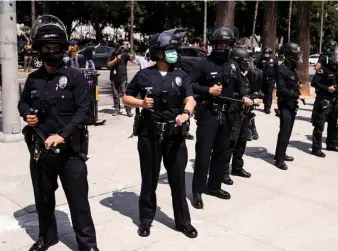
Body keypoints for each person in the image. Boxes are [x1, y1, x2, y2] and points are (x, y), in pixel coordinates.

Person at [17, 15, 99, 251]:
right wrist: (27, 115)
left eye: (55, 48)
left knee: (78, 202)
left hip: (69, 152)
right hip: (40, 151)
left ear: (63, 49)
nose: (50, 52)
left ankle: (88, 245)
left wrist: (62, 134)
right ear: (39, 50)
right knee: (43, 199)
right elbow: (22, 103)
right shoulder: (33, 79)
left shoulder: (74, 77)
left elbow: (84, 112)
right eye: (46, 48)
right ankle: (47, 236)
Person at [123, 28, 198, 239]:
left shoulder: (181, 74)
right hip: (150, 134)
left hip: (175, 135)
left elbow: (190, 99)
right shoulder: (145, 74)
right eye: (170, 49)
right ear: (158, 53)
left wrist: (186, 113)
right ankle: (146, 220)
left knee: (177, 180)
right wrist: (141, 103)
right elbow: (126, 97)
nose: (174, 53)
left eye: (175, 49)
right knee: (149, 179)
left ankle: (184, 222)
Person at [189, 25, 252, 209]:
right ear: (214, 45)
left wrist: (244, 97)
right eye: (220, 44)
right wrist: (208, 90)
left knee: (222, 152)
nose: (223, 47)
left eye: (227, 44)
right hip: (209, 114)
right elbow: (189, 85)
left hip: (229, 115)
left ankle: (214, 186)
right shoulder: (203, 63)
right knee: (203, 153)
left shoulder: (232, 64)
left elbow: (240, 85)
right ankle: (197, 191)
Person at [223, 47, 262, 185]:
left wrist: (254, 98)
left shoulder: (246, 76)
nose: (247, 64)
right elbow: (230, 95)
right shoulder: (231, 76)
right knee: (230, 143)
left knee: (242, 141)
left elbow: (252, 92)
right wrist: (243, 99)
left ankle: (237, 167)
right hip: (233, 115)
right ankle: (224, 173)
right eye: (244, 61)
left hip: (245, 115)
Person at [273, 42, 306, 170]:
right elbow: (281, 90)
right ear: (289, 55)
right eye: (296, 55)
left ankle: (282, 153)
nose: (298, 58)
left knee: (289, 131)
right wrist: (297, 96)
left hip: (292, 105)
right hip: (285, 105)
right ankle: (279, 159)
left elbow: (293, 86)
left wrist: (298, 92)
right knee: (284, 131)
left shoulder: (292, 69)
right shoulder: (282, 69)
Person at [311, 47, 338, 157]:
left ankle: (331, 144)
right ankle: (316, 148)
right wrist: (327, 88)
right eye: (336, 57)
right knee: (319, 124)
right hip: (324, 100)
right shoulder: (324, 69)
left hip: (335, 101)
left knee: (333, 124)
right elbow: (314, 82)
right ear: (331, 57)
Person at [107, 43, 135, 116]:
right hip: (113, 78)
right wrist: (116, 59)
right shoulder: (112, 55)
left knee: (125, 94)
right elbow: (108, 65)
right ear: (116, 49)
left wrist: (133, 56)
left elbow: (131, 59)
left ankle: (128, 110)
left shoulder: (124, 54)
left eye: (121, 48)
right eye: (119, 48)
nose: (121, 49)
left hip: (123, 78)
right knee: (115, 95)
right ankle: (117, 109)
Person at [256, 48, 276, 114]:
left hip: (271, 80)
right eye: (265, 53)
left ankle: (267, 108)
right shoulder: (261, 60)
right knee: (263, 93)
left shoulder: (274, 60)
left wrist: (277, 81)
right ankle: (265, 104)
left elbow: (277, 71)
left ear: (270, 54)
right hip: (263, 79)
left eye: (268, 53)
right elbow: (257, 69)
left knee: (269, 93)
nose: (266, 55)